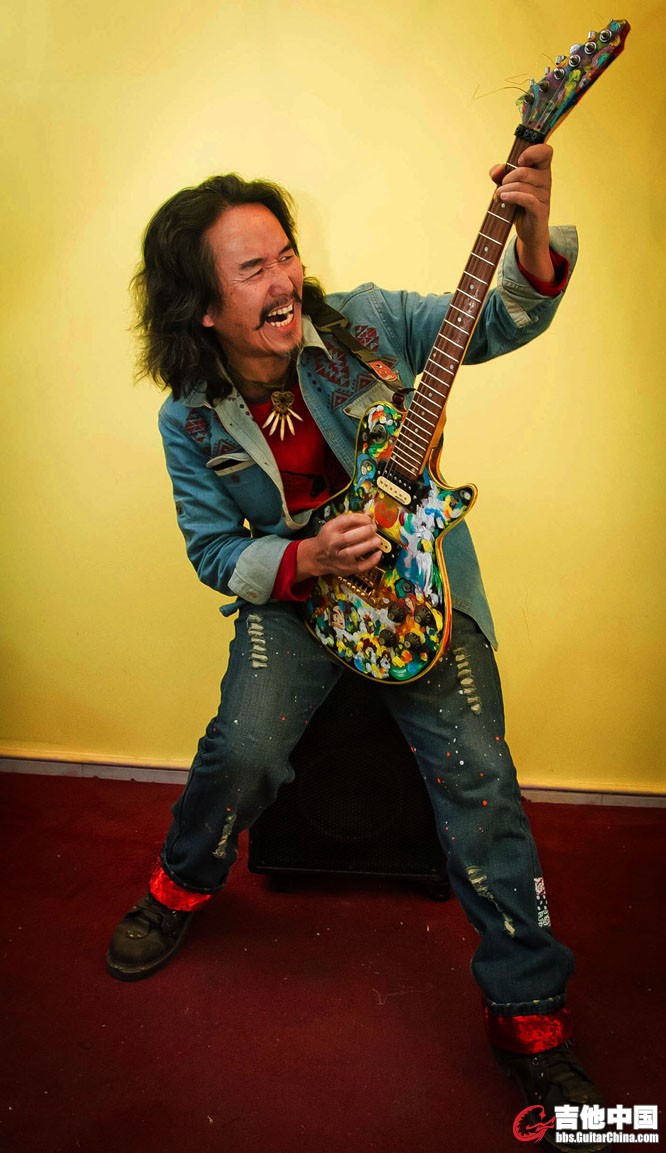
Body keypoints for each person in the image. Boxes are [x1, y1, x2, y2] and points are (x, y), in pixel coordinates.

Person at [107, 148, 606, 1149]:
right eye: (254, 269)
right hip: (300, 599)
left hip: (418, 589)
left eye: (286, 254)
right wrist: (304, 559)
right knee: (245, 748)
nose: (285, 279)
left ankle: (528, 1011)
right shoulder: (189, 419)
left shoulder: (368, 325)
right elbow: (214, 551)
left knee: (482, 780)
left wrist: (529, 231)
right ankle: (179, 882)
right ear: (200, 307)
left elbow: (501, 319)